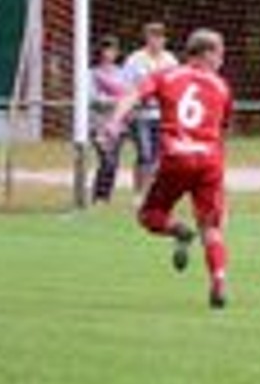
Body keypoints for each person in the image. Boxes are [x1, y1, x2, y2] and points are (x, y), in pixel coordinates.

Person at [101, 29, 234, 309]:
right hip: (209, 161)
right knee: (212, 228)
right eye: (219, 52)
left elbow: (133, 95)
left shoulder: (167, 76)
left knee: (149, 216)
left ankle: (179, 231)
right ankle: (219, 280)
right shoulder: (222, 87)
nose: (222, 58)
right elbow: (222, 132)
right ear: (205, 54)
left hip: (177, 158)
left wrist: (115, 122)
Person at [122, 22, 179, 198]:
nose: (156, 41)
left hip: (161, 114)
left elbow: (176, 84)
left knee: (157, 156)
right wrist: (132, 105)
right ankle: (138, 192)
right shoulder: (135, 59)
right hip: (140, 115)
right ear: (147, 38)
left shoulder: (170, 60)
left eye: (160, 37)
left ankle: (151, 191)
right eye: (153, 37)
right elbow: (126, 85)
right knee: (144, 154)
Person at [90, 35, 130, 203]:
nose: (110, 53)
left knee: (114, 163)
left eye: (114, 49)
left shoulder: (122, 73)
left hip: (118, 124)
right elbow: (92, 99)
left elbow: (129, 94)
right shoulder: (92, 73)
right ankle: (98, 195)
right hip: (99, 124)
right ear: (100, 52)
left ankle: (105, 197)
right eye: (107, 49)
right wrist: (114, 101)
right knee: (107, 160)